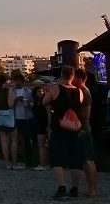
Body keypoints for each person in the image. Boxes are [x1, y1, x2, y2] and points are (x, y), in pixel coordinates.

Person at [43, 65, 86, 200]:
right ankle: (75, 189)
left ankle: (62, 189)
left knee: (57, 158)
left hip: (60, 127)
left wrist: (49, 91)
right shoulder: (79, 91)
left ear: (62, 75)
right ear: (72, 76)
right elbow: (80, 105)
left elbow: (45, 102)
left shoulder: (56, 88)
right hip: (75, 127)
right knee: (75, 159)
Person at [71, 72, 98, 198]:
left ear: (80, 79)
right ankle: (91, 188)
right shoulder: (82, 91)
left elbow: (86, 114)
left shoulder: (84, 92)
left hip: (83, 129)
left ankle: (92, 189)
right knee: (88, 159)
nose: (72, 79)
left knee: (86, 159)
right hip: (84, 129)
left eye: (74, 77)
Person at [0, 75, 17, 170]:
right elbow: (10, 104)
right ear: (5, 81)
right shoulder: (8, 90)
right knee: (14, 140)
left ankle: (7, 162)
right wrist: (14, 99)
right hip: (9, 115)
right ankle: (14, 162)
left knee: (4, 140)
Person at [10, 73, 35, 168]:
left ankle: (29, 161)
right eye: (16, 81)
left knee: (27, 140)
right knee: (14, 140)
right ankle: (14, 160)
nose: (17, 82)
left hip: (26, 117)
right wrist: (16, 100)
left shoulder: (28, 92)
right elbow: (9, 104)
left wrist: (27, 103)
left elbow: (32, 105)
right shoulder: (11, 91)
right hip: (15, 117)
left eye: (19, 81)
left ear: (23, 82)